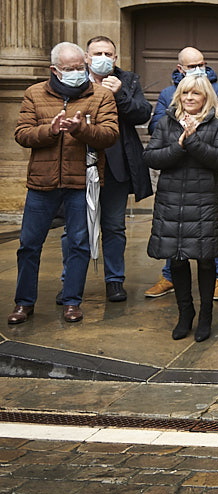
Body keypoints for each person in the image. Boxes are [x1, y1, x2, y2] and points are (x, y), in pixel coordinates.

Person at [10, 42, 119, 325]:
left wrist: (81, 129)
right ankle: (23, 303)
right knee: (29, 244)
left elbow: (109, 135)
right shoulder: (34, 93)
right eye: (68, 70)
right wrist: (51, 130)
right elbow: (22, 134)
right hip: (41, 182)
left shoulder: (101, 95)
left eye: (79, 68)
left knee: (79, 243)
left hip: (81, 182)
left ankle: (72, 301)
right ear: (55, 70)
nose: (75, 73)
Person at [143, 74, 218, 342]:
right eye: (185, 93)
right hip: (172, 202)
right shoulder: (165, 122)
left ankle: (205, 315)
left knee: (206, 261)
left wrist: (192, 141)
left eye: (196, 94)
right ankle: (185, 313)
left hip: (203, 202)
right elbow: (151, 157)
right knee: (177, 259)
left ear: (206, 97)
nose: (190, 98)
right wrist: (179, 145)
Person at [75, 36, 152, 303]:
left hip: (117, 166)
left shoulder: (128, 80)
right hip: (78, 166)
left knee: (114, 227)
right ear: (86, 57)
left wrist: (120, 93)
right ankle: (71, 283)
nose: (103, 57)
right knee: (76, 229)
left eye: (109, 53)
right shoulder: (75, 78)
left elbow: (142, 114)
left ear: (116, 58)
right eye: (98, 53)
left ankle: (114, 281)